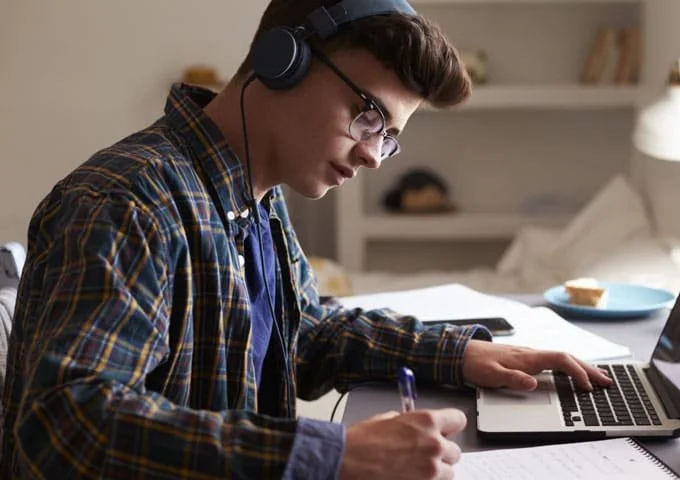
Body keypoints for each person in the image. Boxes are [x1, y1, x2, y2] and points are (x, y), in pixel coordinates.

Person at [0, 0, 613, 478]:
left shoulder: (256, 197)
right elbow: (66, 428)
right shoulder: (128, 204)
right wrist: (331, 455)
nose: (373, 156)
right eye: (369, 117)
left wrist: (457, 355)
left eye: (390, 138)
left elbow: (302, 334)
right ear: (282, 61)